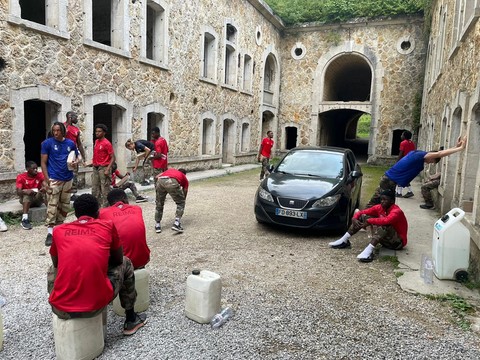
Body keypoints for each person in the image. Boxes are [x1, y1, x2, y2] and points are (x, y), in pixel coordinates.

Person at [48, 194, 146, 336]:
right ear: (98, 213)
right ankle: (131, 319)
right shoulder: (107, 226)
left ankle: (62, 297)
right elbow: (118, 260)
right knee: (127, 262)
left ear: (75, 214)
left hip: (60, 308)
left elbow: (56, 262)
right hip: (95, 305)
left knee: (52, 269)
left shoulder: (59, 230)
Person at [366, 135, 467, 208]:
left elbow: (439, 153)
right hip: (389, 180)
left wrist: (455, 146)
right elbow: (440, 153)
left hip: (390, 179)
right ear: (432, 157)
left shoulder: (419, 154)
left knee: (388, 202)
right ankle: (362, 219)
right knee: (379, 200)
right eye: (432, 161)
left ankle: (381, 221)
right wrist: (460, 148)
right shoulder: (423, 156)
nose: (430, 163)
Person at [329, 189, 408, 263]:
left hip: (397, 243)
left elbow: (387, 220)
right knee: (363, 216)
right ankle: (344, 240)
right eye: (381, 199)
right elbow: (362, 212)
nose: (382, 202)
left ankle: (369, 251)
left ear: (392, 201)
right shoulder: (379, 207)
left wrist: (369, 221)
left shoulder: (396, 211)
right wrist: (354, 218)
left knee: (385, 225)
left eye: (385, 200)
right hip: (385, 240)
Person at [41, 122, 79, 246]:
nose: (55, 133)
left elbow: (76, 157)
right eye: (54, 130)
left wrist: (75, 162)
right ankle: (50, 233)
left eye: (58, 130)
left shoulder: (70, 143)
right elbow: (43, 163)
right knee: (52, 205)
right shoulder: (47, 144)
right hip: (54, 179)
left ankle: (59, 229)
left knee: (65, 205)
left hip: (68, 178)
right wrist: (47, 180)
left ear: (63, 131)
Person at [99, 188, 150, 269]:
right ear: (124, 199)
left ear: (109, 203)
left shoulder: (102, 213)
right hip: (143, 259)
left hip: (122, 265)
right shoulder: (137, 209)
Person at [154, 168, 188, 233]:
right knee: (181, 203)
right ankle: (176, 224)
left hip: (160, 181)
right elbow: (185, 190)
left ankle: (157, 225)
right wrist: (182, 200)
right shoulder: (183, 177)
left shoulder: (170, 170)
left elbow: (156, 176)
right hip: (172, 181)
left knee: (159, 203)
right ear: (184, 174)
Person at [16, 161, 47, 230]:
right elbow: (18, 192)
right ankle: (24, 219)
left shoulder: (40, 175)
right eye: (33, 168)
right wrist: (26, 191)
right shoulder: (21, 177)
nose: (36, 170)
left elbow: (45, 184)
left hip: (37, 199)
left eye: (36, 168)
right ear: (27, 169)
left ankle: (51, 214)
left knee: (45, 192)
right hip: (26, 200)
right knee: (27, 195)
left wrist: (44, 188)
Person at [89, 124, 115, 208]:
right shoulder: (96, 142)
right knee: (95, 189)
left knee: (105, 190)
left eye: (99, 131)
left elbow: (113, 158)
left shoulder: (107, 143)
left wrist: (108, 169)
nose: (97, 133)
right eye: (96, 131)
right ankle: (96, 208)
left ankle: (106, 208)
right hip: (96, 167)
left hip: (104, 168)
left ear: (104, 133)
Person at [64, 111, 86, 200]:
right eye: (75, 117)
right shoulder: (63, 126)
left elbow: (79, 143)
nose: (77, 119)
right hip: (64, 152)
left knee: (74, 173)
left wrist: (83, 156)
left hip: (74, 153)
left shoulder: (76, 129)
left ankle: (72, 194)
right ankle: (64, 193)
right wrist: (67, 123)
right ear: (70, 117)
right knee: (65, 172)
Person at [395, 130, 416, 198]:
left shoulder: (403, 143)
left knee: (400, 176)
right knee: (405, 177)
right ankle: (409, 191)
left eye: (402, 135)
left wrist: (397, 162)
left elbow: (401, 153)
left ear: (404, 136)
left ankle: (399, 192)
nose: (401, 136)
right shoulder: (412, 143)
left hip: (404, 161)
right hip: (411, 161)